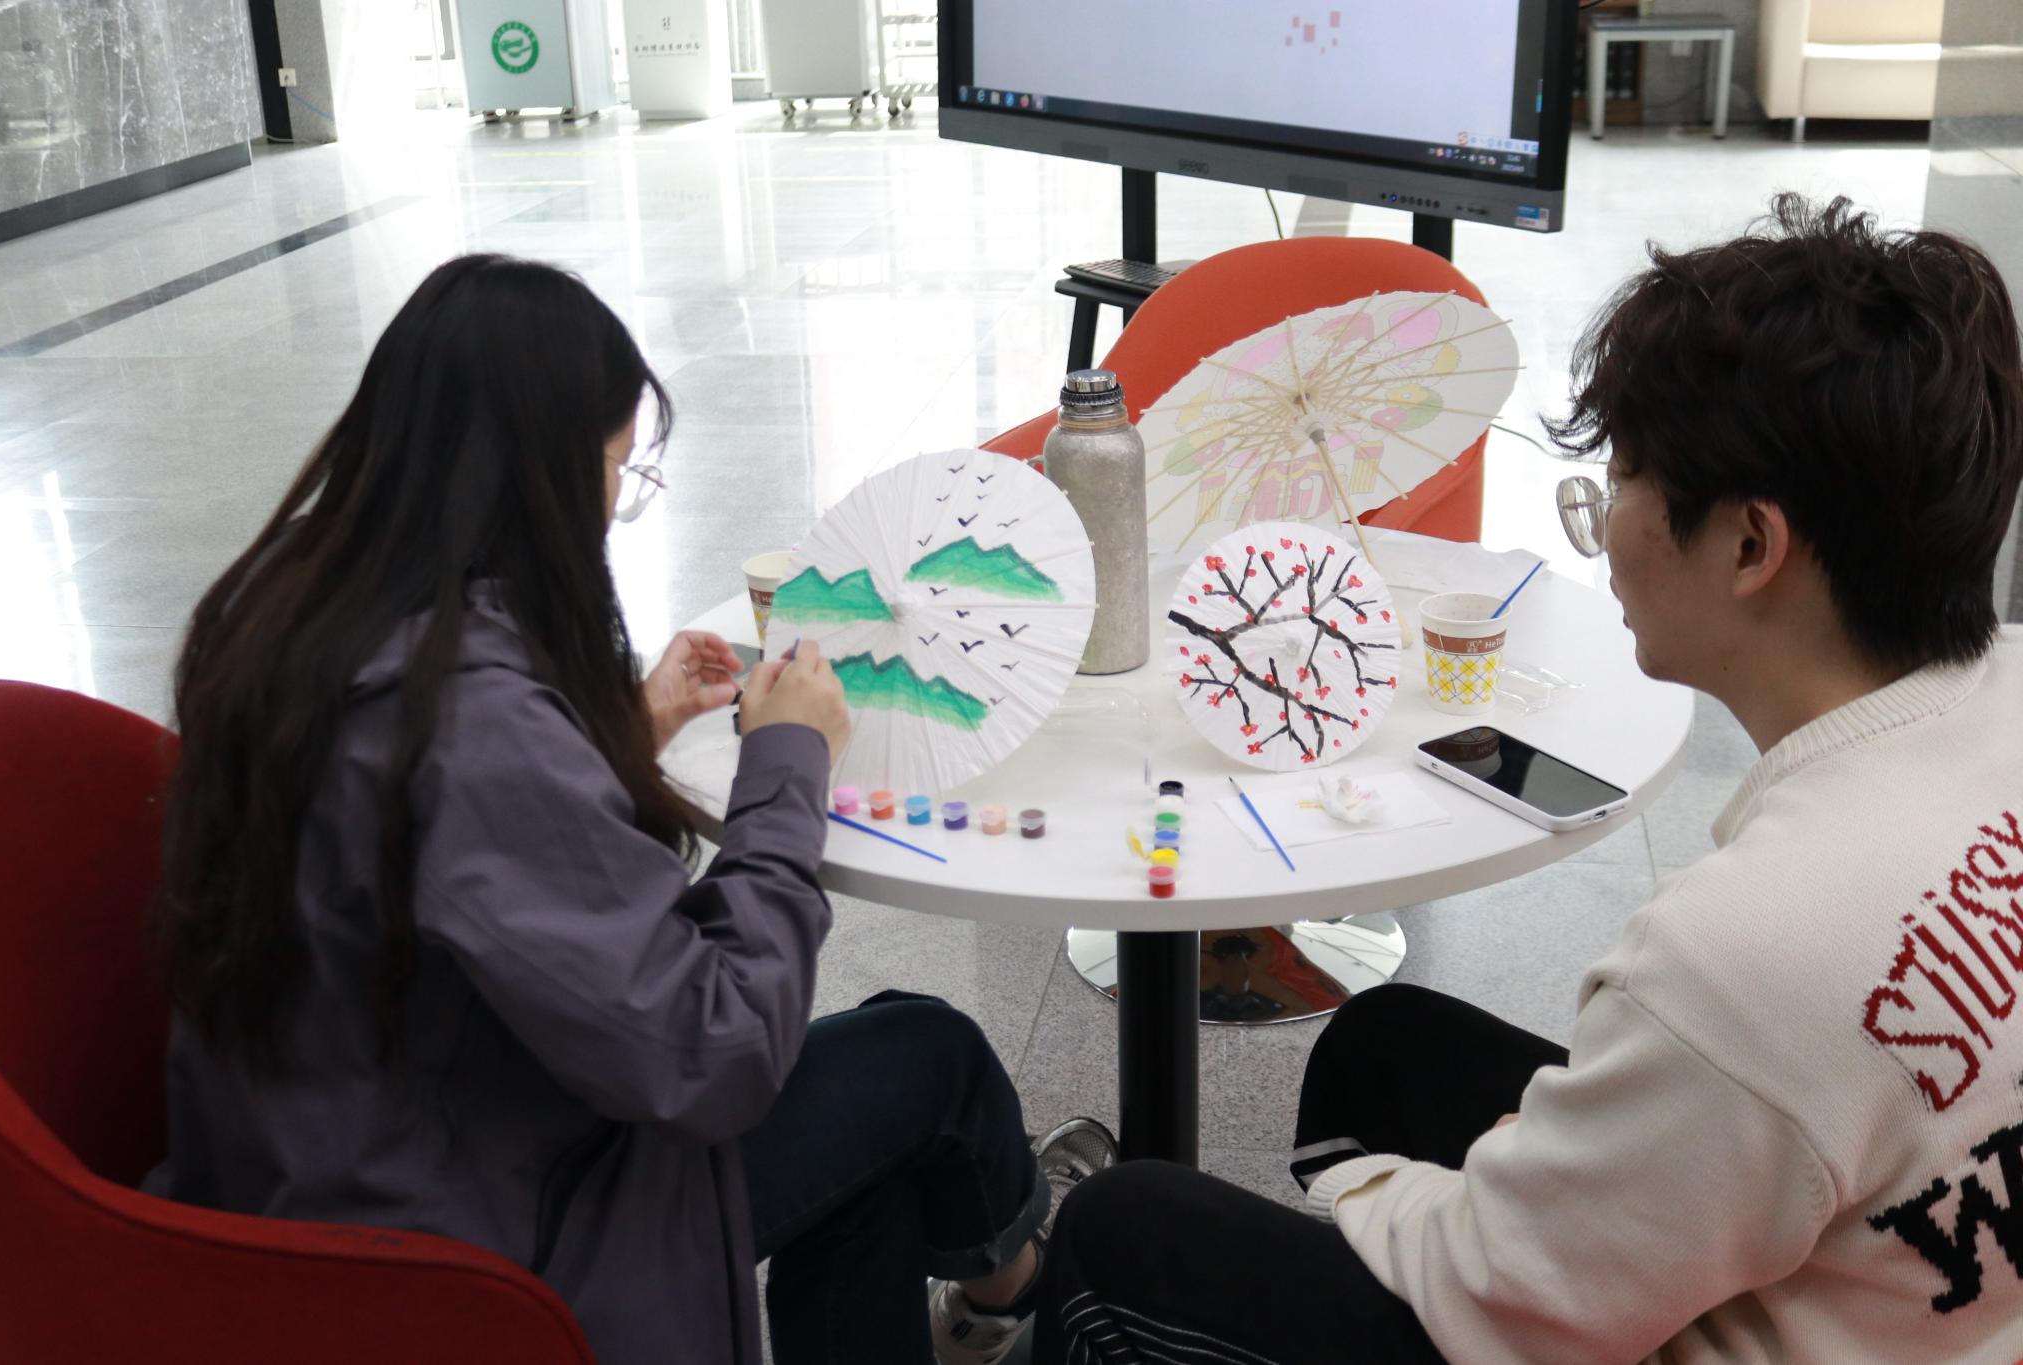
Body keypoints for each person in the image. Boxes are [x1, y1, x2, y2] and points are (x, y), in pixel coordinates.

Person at [1035, 195, 2023, 1364]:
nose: (1607, 524)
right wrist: (1553, 1173)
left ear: (1748, 546)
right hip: (1920, 1293)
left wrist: (1426, 1195)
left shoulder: (1741, 955)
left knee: (1116, 1228)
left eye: (1623, 481)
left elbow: (1505, 1290)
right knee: (1381, 1044)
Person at [142, 254, 1111, 1365]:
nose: (614, 505)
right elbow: (718, 1049)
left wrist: (618, 729)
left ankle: (1004, 1292)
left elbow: (444, 852)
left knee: (886, 1112)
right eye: (621, 468)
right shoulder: (472, 728)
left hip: (335, 1173)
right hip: (482, 1247)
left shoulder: (292, 609)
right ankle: (1027, 1289)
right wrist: (787, 764)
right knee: (927, 1058)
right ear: (545, 475)